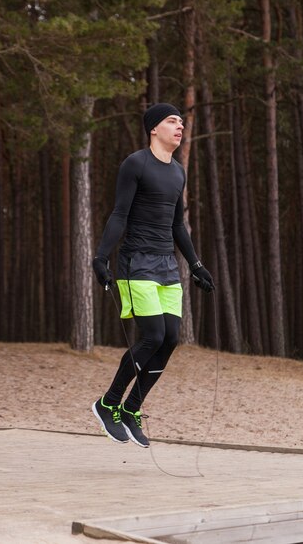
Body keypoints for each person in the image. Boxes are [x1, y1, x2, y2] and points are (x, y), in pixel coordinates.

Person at [92, 103, 214, 448]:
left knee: (171, 338)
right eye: (172, 121)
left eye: (182, 122)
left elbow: (178, 224)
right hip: (137, 263)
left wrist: (196, 265)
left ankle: (131, 409)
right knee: (153, 335)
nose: (180, 126)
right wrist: (101, 258)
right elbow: (119, 214)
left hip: (167, 266)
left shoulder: (178, 172)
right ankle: (107, 404)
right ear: (154, 129)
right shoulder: (135, 164)